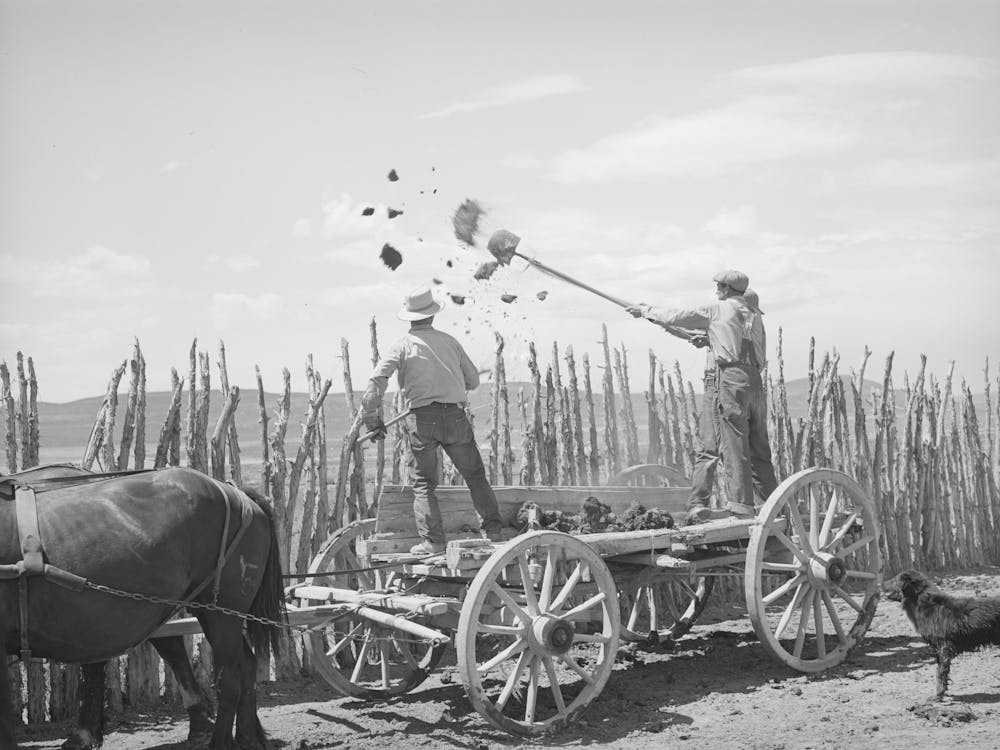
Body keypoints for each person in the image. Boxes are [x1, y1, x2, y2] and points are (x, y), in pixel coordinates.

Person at [362, 287, 504, 555]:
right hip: (454, 415)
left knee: (425, 484)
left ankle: (433, 542)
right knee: (474, 475)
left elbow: (376, 382)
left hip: (422, 419)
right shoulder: (450, 342)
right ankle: (494, 530)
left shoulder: (402, 345)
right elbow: (473, 381)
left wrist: (373, 419)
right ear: (432, 315)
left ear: (410, 317)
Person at [627, 271, 777, 523]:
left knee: (733, 443)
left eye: (719, 286)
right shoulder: (753, 316)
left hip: (730, 377)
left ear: (727, 289)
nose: (717, 289)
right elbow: (743, 343)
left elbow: (680, 317)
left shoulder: (719, 309)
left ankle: (741, 506)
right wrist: (710, 338)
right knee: (758, 446)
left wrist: (646, 310)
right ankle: (772, 502)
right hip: (754, 381)